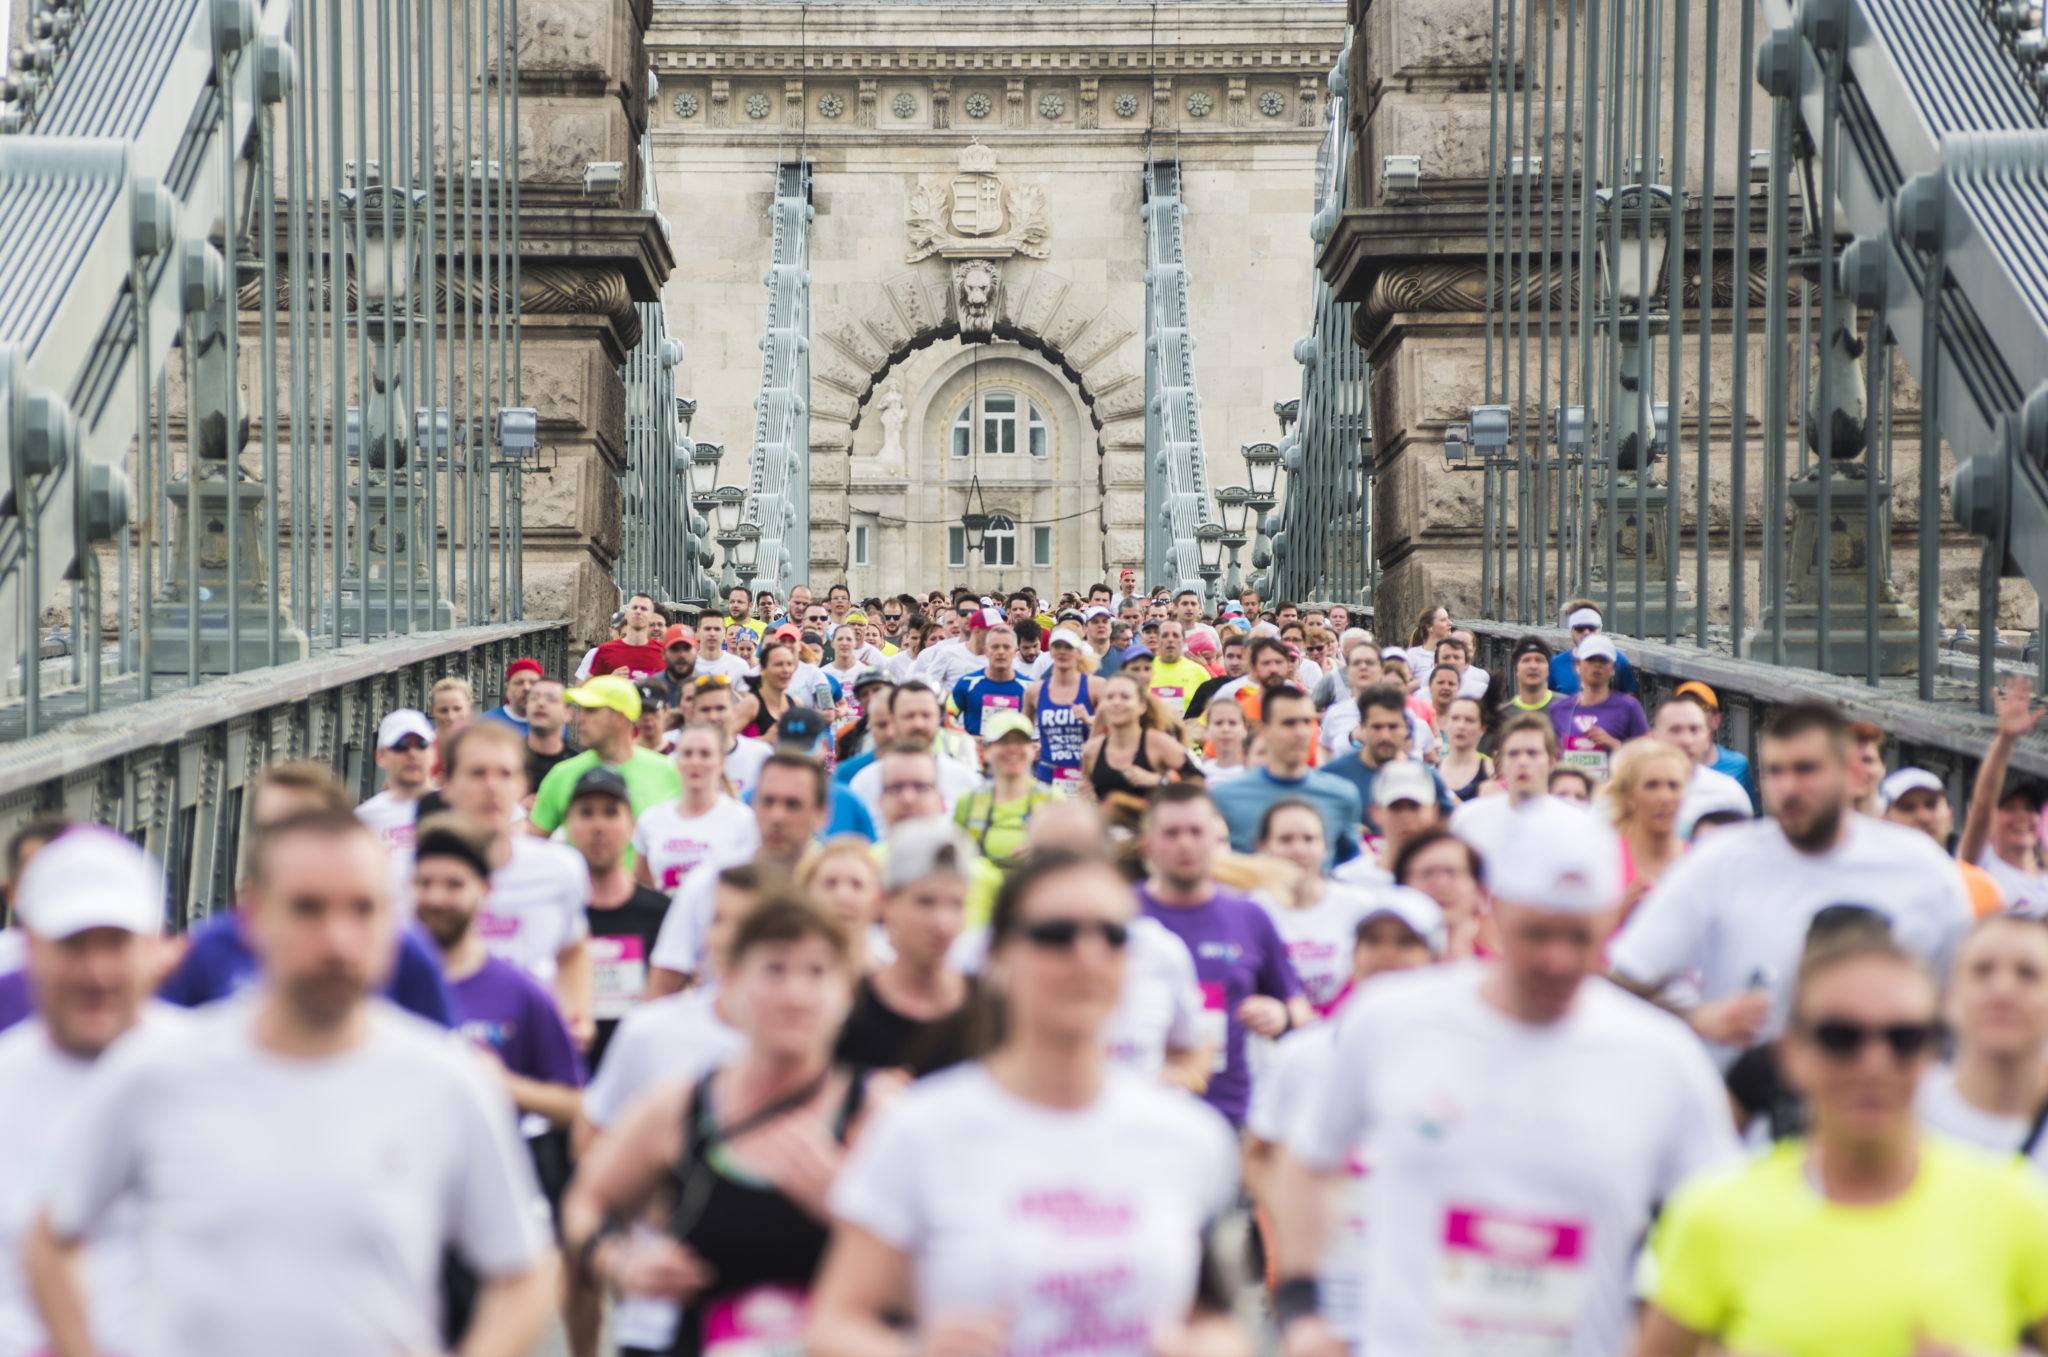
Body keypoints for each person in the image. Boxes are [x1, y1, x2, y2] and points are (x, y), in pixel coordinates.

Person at [24, 810, 557, 1357]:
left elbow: (524, 1272)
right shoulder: (158, 1073)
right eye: (308, 909)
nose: (337, 940)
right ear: (253, 917)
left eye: (362, 910)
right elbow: (50, 1240)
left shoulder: (447, 1084)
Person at [1272, 798, 1738, 1357]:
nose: (1557, 960)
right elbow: (1307, 1160)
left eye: (1580, 937)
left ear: (1612, 923)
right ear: (1493, 911)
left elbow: (1720, 1222)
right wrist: (1302, 1308)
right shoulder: (1392, 1019)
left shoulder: (1661, 1055)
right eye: (1537, 934)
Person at [810, 849, 1244, 1357]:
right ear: (998, 954)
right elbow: (835, 1324)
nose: (1088, 955)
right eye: (1055, 935)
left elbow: (1218, 1322)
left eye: (1113, 936)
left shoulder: (1188, 1136)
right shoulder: (920, 1129)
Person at [1639, 931, 2048, 1357]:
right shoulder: (1712, 1214)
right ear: (1791, 1055)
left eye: (1903, 1039)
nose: (1874, 1063)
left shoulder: (2017, 1205)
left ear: (1930, 1052)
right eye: (1841, 1038)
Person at [564, 897, 878, 1357]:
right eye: (774, 970)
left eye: (817, 973)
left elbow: (945, 1268)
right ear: (731, 982)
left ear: (847, 991)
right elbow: (584, 1201)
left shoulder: (879, 1114)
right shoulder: (682, 1105)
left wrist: (852, 1209)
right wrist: (619, 1262)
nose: (796, 994)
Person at [1610, 702, 1975, 1066]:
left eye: (1805, 770)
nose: (1789, 787)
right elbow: (1624, 976)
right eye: (1775, 771)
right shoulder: (1720, 861)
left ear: (1848, 772)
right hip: (1750, 1113)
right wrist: (1695, 1018)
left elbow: (1964, 1002)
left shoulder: (1921, 867)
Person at [0, 829, 184, 1357]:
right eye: (74, 945)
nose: (96, 972)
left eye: (115, 943)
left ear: (155, 947)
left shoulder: (223, 1081)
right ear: (30, 948)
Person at [1243, 887, 1445, 1354]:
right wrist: (1293, 1234)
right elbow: (1258, 1157)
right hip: (1330, 1288)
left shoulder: (1464, 1062)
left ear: (1434, 956)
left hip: (1425, 1296)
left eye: (1405, 942)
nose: (1387, 955)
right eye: (1373, 941)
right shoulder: (1304, 1054)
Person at [159, 761, 457, 1026]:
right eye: (269, 827)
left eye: (303, 823)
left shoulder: (403, 953)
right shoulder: (211, 950)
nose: (286, 840)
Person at [412, 813, 586, 1229]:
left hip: (501, 1194)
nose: (437, 897)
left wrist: (506, 1087)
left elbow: (577, 1106)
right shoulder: (383, 987)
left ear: (484, 892)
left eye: (454, 884)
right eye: (425, 883)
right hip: (411, 1194)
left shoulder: (520, 992)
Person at [1139, 784, 1310, 1127]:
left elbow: (1300, 1009)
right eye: (1171, 833)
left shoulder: (1249, 917)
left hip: (1230, 1119)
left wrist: (1282, 1017)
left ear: (1215, 840)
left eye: (1196, 832)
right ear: (1149, 844)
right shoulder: (1120, 914)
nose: (1185, 843)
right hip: (1142, 1120)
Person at [439, 722, 595, 1044]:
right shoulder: (407, 875)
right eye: (477, 774)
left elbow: (574, 952)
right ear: (448, 785)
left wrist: (577, 1017)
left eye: (505, 774)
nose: (492, 787)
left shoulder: (561, 867)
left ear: (522, 783)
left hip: (534, 1040)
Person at [648, 753, 834, 993]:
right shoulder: (708, 882)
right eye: (768, 801)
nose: (777, 816)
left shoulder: (836, 887)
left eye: (792, 804)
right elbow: (662, 985)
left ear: (821, 815)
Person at [836, 818, 979, 1075]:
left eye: (956, 904)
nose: (942, 922)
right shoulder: (849, 1011)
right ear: (885, 903)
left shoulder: (988, 1008)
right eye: (925, 902)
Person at [564, 769, 678, 1071]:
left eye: (611, 813)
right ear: (568, 825)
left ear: (631, 825)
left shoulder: (663, 914)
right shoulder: (554, 915)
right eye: (586, 813)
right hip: (568, 1081)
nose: (598, 826)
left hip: (640, 1081)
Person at [1918, 913, 2048, 1162]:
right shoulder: (1901, 1107)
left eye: (2027, 974)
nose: (2002, 990)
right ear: (1948, 997)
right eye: (1982, 970)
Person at [1211, 683, 1363, 870]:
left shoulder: (1342, 795)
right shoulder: (1223, 798)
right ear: (1263, 731)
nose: (1300, 733)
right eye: (1289, 723)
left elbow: (1351, 869)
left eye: (1307, 722)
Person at [1255, 799, 1379, 1013]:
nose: (1298, 849)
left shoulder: (1359, 905)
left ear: (1325, 846)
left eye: (1309, 839)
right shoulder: (1253, 910)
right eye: (1286, 840)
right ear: (1264, 847)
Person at [530, 677, 685, 847]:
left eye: (591, 710)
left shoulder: (668, 772)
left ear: (620, 717)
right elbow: (531, 846)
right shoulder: (561, 774)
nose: (580, 719)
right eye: (581, 710)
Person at [1319, 683, 1454, 847]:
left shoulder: (1426, 777)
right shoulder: (1332, 776)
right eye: (1377, 727)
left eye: (1392, 726)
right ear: (1361, 727)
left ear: (1406, 727)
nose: (1385, 735)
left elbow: (1448, 831)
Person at [633, 722, 760, 892]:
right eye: (687, 753)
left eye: (705, 754)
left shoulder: (744, 820)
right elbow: (643, 886)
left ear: (721, 763)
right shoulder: (650, 820)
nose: (695, 761)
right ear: (677, 761)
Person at [1959, 674, 2048, 917]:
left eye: (2030, 809)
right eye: (2009, 808)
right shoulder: (1981, 866)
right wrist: (2006, 740)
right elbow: (1982, 805)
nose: (2022, 817)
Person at [953, 711, 1052, 913]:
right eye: (1003, 742)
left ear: (1032, 750)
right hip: (979, 905)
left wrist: (1045, 855)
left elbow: (1072, 861)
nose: (1012, 749)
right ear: (986, 750)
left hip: (1035, 903)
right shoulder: (969, 800)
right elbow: (954, 861)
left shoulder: (1053, 800)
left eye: (1020, 742)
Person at [1882, 767, 2005, 916]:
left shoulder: (1979, 887)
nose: (1924, 817)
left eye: (1931, 805)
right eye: (1907, 808)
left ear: (1950, 816)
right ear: (1882, 821)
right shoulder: (1870, 883)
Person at [848, 684, 981, 822]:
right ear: (893, 719)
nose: (918, 724)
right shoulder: (864, 783)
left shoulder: (966, 781)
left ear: (939, 718)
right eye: (909, 716)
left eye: (926, 715)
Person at [1607, 737, 1693, 926]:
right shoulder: (1603, 858)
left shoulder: (1699, 861)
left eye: (1674, 785)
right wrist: (1619, 915)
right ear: (1628, 795)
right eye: (1652, 785)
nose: (1664, 797)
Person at [1082, 672, 1196, 804]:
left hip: (1152, 823)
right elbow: (1085, 792)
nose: (1116, 702)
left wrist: (1158, 780)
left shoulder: (1160, 744)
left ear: (1142, 706)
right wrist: (1086, 799)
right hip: (1107, 823)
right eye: (1109, 697)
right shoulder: (1091, 750)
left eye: (1125, 697)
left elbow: (1200, 779)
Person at [1550, 633, 1648, 780]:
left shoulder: (1628, 707)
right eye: (1590, 660)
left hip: (1612, 795)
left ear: (1614, 667)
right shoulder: (1559, 710)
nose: (1597, 665)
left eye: (1603, 660)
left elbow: (1648, 757)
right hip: (1571, 796)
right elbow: (1549, 757)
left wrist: (1615, 744)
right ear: (1577, 665)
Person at [1652, 692, 1759, 824]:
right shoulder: (1628, 792)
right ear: (1654, 737)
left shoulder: (1730, 794)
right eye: (1675, 730)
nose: (1686, 740)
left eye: (1694, 730)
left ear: (1707, 738)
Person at [1391, 827, 1486, 959]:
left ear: (1478, 889)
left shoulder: (1499, 972)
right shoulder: (1378, 972)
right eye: (1426, 873)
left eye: (1452, 872)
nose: (1441, 884)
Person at [356, 707, 436, 855]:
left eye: (421, 744)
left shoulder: (457, 808)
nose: (412, 754)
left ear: (433, 752)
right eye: (401, 746)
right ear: (380, 757)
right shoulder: (363, 820)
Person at [1023, 625, 1096, 788]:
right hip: (1047, 778)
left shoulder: (1095, 687)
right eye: (1057, 646)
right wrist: (1031, 747)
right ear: (1050, 651)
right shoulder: (1034, 690)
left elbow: (1113, 728)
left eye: (1068, 647)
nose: (1062, 651)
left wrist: (1090, 720)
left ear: (1078, 653)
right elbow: (1022, 732)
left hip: (1084, 778)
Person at [691, 674, 774, 796]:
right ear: (693, 714)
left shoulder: (761, 755)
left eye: (720, 709)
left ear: (734, 710)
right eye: (705, 710)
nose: (713, 717)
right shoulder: (677, 762)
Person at [950, 623, 1027, 739]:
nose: (1001, 652)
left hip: (1014, 755)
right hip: (976, 755)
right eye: (995, 647)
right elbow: (946, 717)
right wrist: (966, 739)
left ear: (1015, 652)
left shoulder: (1029, 687)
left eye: (1006, 647)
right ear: (986, 650)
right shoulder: (967, 683)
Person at [1549, 602, 1640, 694]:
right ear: (1571, 630)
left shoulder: (1618, 659)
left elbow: (1630, 701)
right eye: (1580, 628)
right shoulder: (1556, 664)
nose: (1586, 633)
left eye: (1592, 628)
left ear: (1600, 629)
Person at [737, 636, 802, 740]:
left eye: (789, 664)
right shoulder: (751, 705)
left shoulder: (796, 704)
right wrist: (765, 739)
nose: (786, 670)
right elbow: (726, 742)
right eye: (779, 664)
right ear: (763, 669)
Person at [591, 592, 667, 678]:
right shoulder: (605, 650)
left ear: (651, 616)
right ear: (627, 614)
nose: (638, 611)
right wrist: (610, 679)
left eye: (644, 609)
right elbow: (584, 689)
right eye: (634, 608)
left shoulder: (664, 653)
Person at [524, 679, 578, 796]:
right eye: (534, 698)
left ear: (567, 714)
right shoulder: (506, 759)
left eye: (551, 699)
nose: (540, 703)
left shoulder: (578, 764)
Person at [1147, 619, 1212, 717]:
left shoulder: (1199, 672)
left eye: (1175, 635)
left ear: (1184, 641)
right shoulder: (1145, 669)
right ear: (1158, 640)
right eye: (1165, 635)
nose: (1170, 640)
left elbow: (1209, 711)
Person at [1434, 695, 1492, 801]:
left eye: (1469, 720)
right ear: (1445, 724)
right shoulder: (1432, 773)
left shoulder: (1491, 771)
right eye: (1455, 718)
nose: (1461, 726)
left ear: (1482, 729)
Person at [1198, 695, 1253, 785]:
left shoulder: (1255, 771)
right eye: (1218, 723)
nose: (1225, 729)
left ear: (1245, 728)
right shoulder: (1201, 774)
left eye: (1232, 723)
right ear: (1207, 729)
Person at [482, 657, 543, 735]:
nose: (526, 688)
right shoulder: (487, 723)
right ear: (507, 689)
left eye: (533, 682)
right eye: (519, 682)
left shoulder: (555, 725)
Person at [1501, 634, 1560, 715]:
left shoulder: (1569, 709)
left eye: (1539, 660)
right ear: (1516, 668)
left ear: (1548, 668)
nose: (1533, 666)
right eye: (1526, 660)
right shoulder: (1502, 716)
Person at [693, 613, 753, 686]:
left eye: (717, 629)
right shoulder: (689, 664)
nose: (712, 633)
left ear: (723, 632)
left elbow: (745, 696)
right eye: (707, 629)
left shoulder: (741, 665)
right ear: (698, 632)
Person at [653, 624, 700, 709]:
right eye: (675, 649)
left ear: (696, 651)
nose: (682, 655)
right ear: (663, 654)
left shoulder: (710, 687)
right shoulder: (650, 688)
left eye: (687, 648)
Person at [429, 675, 477, 740]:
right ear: (431, 711)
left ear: (469, 708)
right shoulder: (425, 744)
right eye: (443, 710)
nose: (450, 717)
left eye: (457, 709)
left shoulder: (485, 741)